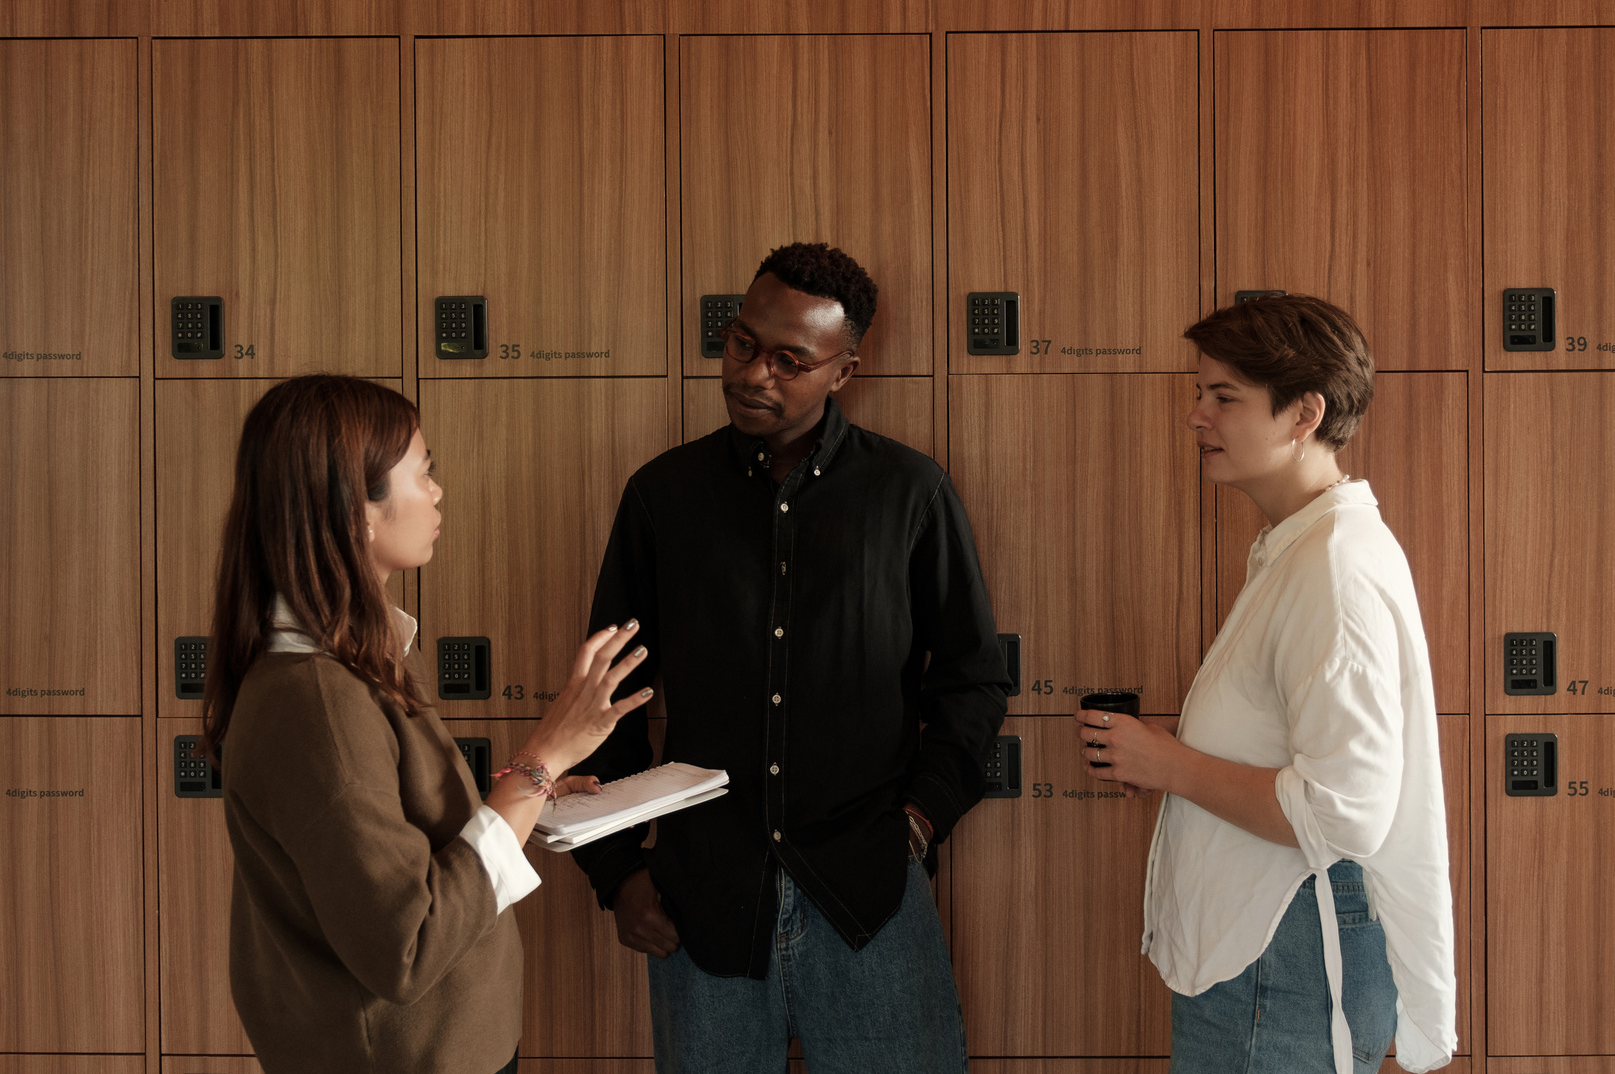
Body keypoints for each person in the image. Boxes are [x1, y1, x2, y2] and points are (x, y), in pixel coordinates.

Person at [572, 242, 1010, 1074]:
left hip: (870, 896)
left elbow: (971, 679)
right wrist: (618, 871)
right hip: (700, 902)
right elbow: (608, 694)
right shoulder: (663, 496)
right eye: (742, 344)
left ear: (842, 370)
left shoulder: (909, 493)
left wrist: (917, 823)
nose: (753, 375)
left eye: (789, 360)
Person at [202, 374, 655, 1074]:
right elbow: (405, 946)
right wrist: (540, 760)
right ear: (359, 512)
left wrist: (532, 795)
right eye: (424, 472)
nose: (438, 491)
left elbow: (388, 838)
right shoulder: (319, 704)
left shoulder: (347, 662)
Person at [1076, 295, 1456, 1074]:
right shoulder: (1299, 548)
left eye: (1222, 397)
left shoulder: (1332, 569)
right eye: (1198, 394)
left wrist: (1169, 765)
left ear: (1302, 413)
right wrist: (1162, 754)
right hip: (1267, 951)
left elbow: (1343, 813)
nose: (1195, 417)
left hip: (1286, 956)